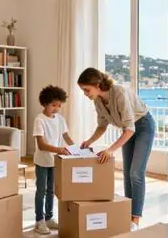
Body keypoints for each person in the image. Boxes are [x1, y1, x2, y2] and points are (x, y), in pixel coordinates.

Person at [77, 68, 155, 230]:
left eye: (86, 89)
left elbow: (130, 128)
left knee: (136, 173)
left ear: (97, 85)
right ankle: (127, 214)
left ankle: (135, 221)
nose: (85, 94)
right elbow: (102, 126)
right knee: (127, 174)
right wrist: (89, 141)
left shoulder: (118, 93)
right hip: (129, 130)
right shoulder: (97, 100)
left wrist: (110, 150)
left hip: (143, 127)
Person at [32, 85, 75, 235]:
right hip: (42, 161)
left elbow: (66, 137)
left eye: (59, 105)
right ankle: (39, 221)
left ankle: (49, 218)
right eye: (53, 105)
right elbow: (41, 145)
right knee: (41, 190)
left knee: (51, 190)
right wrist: (59, 150)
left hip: (55, 161)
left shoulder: (60, 119)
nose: (56, 108)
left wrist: (76, 148)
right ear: (44, 103)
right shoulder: (40, 120)